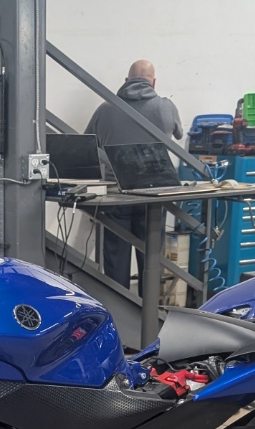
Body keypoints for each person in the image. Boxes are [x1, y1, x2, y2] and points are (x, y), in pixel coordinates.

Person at [86, 60, 184, 292]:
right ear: (154, 81)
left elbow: (87, 142)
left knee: (115, 258)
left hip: (115, 192)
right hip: (154, 193)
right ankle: (148, 317)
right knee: (151, 259)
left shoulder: (105, 108)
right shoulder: (165, 106)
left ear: (126, 81)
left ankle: (120, 311)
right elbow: (179, 133)